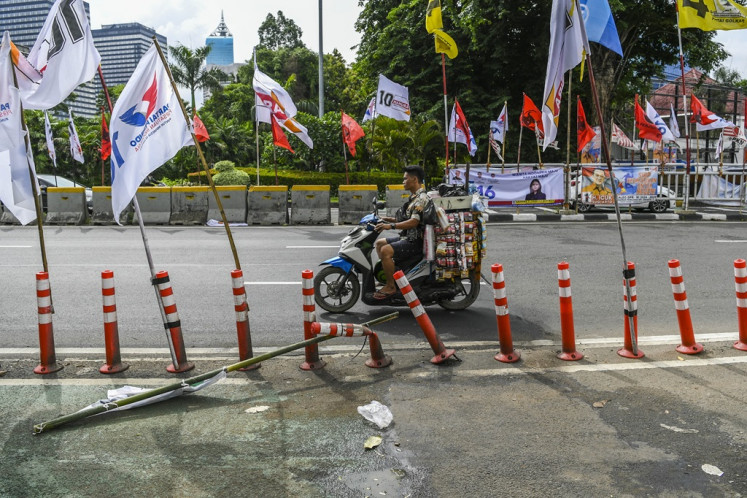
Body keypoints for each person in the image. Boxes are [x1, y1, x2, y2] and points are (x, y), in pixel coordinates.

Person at [373, 165, 432, 299]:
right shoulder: (414, 197)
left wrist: (391, 226)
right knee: (379, 244)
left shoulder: (421, 199)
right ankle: (392, 276)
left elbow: (413, 222)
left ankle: (391, 286)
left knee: (385, 251)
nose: (403, 182)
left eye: (405, 179)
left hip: (415, 241)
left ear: (414, 179)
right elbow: (408, 218)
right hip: (408, 237)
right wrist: (385, 219)